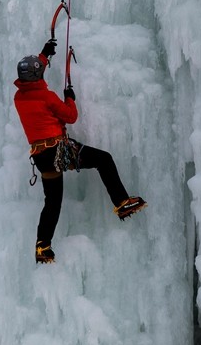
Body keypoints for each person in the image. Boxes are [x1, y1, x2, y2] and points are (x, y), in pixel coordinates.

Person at [14, 38, 147, 264]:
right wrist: (70, 98)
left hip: (41, 158)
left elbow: (34, 75)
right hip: (59, 151)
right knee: (103, 160)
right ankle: (122, 203)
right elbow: (70, 116)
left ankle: (42, 247)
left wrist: (44, 55)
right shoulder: (47, 97)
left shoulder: (19, 97)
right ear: (37, 77)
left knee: (52, 202)